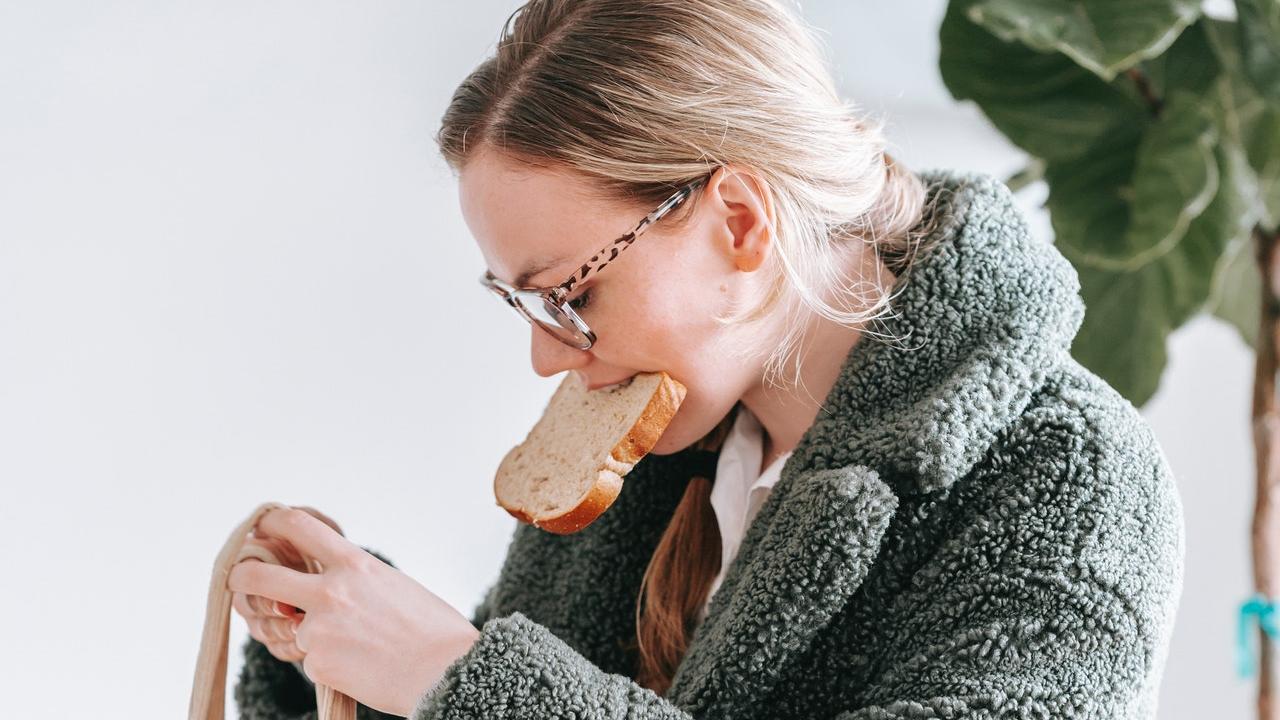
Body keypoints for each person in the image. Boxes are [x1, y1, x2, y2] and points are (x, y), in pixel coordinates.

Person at [232, 1, 1185, 718]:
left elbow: (505, 695)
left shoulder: (1073, 478)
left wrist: (457, 677)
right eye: (521, 302)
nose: (542, 354)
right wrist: (331, 639)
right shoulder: (637, 468)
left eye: (571, 293)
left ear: (737, 221)